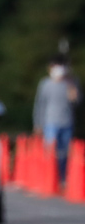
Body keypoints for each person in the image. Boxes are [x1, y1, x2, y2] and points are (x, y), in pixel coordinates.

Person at [33, 55, 79, 185]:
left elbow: (77, 102)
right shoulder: (45, 84)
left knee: (64, 152)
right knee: (50, 151)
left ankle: (62, 178)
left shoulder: (72, 82)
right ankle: (48, 177)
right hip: (50, 122)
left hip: (67, 122)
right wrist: (38, 123)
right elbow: (40, 104)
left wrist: (72, 89)